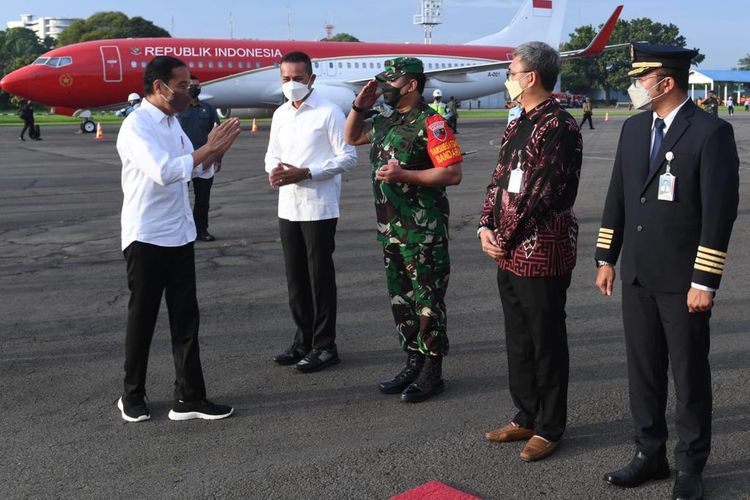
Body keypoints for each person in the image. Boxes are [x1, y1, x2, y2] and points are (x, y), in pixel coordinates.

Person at [595, 43, 739, 499]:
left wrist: (705, 280)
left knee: (689, 374)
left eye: (641, 78)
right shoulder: (636, 129)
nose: (635, 86)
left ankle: (690, 466)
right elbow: (619, 194)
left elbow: (720, 212)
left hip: (683, 281)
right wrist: (606, 257)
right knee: (644, 372)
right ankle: (648, 453)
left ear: (666, 82)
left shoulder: (710, 132)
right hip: (637, 273)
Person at [115, 55, 241, 423]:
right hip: (147, 235)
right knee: (143, 318)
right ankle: (131, 395)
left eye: (190, 85)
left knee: (186, 318)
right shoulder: (137, 125)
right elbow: (164, 171)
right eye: (183, 85)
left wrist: (213, 157)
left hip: (180, 234)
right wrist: (207, 150)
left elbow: (194, 168)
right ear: (159, 87)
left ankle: (189, 397)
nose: (190, 91)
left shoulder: (173, 123)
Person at [478, 41, 582, 462]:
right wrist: (486, 223)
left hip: (542, 248)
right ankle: (526, 414)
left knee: (546, 338)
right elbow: (499, 178)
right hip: (508, 247)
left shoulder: (558, 125)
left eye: (512, 70)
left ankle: (551, 426)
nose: (508, 76)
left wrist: (502, 232)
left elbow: (540, 192)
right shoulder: (519, 120)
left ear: (531, 77)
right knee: (519, 337)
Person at [345, 57, 463, 403]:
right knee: (402, 300)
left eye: (390, 83)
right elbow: (351, 137)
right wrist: (358, 106)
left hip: (422, 231)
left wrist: (405, 176)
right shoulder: (383, 120)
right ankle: (413, 360)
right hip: (391, 229)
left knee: (428, 302)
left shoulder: (432, 122)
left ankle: (433, 370)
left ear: (411, 85)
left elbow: (452, 173)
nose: (383, 88)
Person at [265, 51, 357, 373]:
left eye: (298, 79)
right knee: (296, 278)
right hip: (288, 205)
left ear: (312, 79)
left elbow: (348, 157)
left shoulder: (329, 113)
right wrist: (273, 171)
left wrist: (306, 172)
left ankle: (325, 345)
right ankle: (303, 340)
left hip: (319, 206)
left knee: (319, 277)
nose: (292, 84)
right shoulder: (280, 115)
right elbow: (271, 154)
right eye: (286, 79)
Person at [178, 76, 222, 242]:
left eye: (197, 86)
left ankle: (201, 230)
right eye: (191, 85)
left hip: (205, 161)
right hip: (184, 161)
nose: (194, 88)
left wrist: (218, 158)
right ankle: (182, 230)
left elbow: (217, 134)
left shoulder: (208, 109)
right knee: (180, 199)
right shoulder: (178, 109)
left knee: (203, 200)